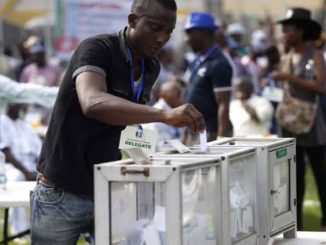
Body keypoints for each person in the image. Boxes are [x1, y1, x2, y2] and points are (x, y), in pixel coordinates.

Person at [30, 0, 205, 244]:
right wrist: (163, 115)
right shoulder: (96, 49)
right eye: (155, 28)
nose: (161, 38)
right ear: (132, 20)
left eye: (168, 31)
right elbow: (92, 102)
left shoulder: (150, 66)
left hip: (106, 186)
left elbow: (129, 121)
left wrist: (149, 157)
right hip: (62, 190)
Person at [272, 7, 326, 231]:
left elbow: (321, 87)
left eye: (288, 29)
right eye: (283, 30)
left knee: (320, 173)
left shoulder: (314, 54)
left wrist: (288, 77)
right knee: (294, 176)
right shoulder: (286, 55)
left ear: (301, 31)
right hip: (290, 124)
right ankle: (297, 224)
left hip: (312, 124)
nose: (285, 34)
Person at [183, 12, 232, 144]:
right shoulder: (198, 60)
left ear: (204, 32)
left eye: (189, 33)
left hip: (209, 133)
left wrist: (221, 139)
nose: (186, 39)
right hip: (194, 132)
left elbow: (223, 104)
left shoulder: (219, 63)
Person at [0, 103, 42, 237]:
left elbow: (39, 151)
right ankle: (19, 231)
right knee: (16, 178)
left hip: (32, 166)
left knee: (48, 182)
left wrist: (40, 169)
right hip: (10, 167)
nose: (21, 106)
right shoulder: (2, 122)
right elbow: (5, 152)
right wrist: (26, 172)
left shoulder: (24, 124)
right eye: (18, 103)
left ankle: (39, 229)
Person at [143, 78, 184, 151]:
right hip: (159, 156)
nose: (182, 100)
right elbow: (165, 147)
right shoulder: (158, 113)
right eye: (180, 96)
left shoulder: (168, 109)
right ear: (175, 96)